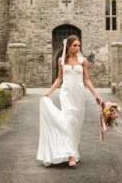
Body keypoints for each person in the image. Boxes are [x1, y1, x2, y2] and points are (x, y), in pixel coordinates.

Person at [36, 35, 103, 167]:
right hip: (66, 95)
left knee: (76, 125)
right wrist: (49, 92)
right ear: (69, 46)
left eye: (79, 46)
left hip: (79, 95)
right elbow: (59, 79)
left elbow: (87, 80)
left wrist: (96, 95)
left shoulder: (83, 61)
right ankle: (71, 155)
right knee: (68, 121)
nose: (77, 48)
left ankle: (72, 151)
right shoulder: (61, 60)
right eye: (75, 45)